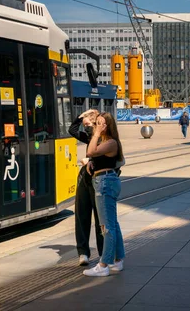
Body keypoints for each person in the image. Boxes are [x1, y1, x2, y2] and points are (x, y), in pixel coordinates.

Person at [83, 113, 125, 277]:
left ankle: (103, 264)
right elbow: (95, 156)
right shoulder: (108, 142)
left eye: (100, 123)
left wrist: (96, 134)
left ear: (107, 126)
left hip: (105, 183)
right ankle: (118, 259)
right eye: (96, 123)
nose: (97, 126)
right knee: (113, 223)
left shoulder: (110, 142)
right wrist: (93, 163)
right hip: (105, 180)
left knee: (106, 226)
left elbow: (90, 151)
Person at [69, 109, 104, 266]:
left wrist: (90, 161)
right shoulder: (88, 137)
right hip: (85, 178)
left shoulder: (104, 139)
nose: (86, 128)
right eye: (84, 125)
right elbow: (72, 130)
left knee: (99, 219)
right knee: (81, 215)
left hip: (98, 179)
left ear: (96, 123)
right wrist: (81, 116)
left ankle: (104, 253)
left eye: (88, 124)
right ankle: (83, 252)